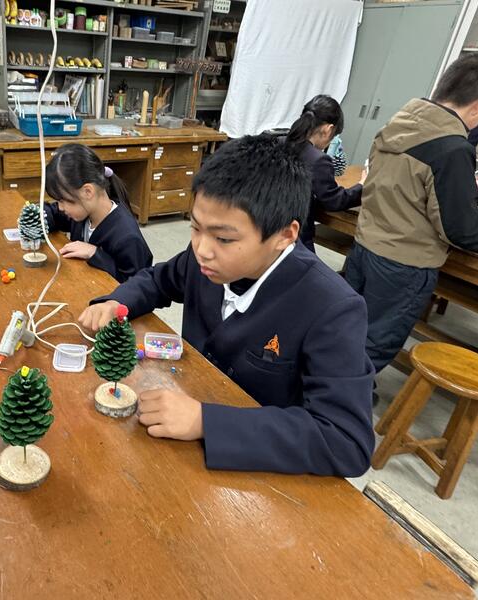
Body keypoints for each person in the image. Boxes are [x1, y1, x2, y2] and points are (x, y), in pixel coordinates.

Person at [79, 135, 374, 477]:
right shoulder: (205, 260)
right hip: (181, 439)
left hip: (254, 469)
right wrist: (116, 302)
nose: (202, 249)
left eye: (224, 238)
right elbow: (158, 280)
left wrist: (206, 421)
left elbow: (346, 441)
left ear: (284, 235)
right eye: (195, 227)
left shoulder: (333, 308)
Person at [344, 53, 478, 375]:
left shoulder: (397, 126)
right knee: (377, 342)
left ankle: (328, 386)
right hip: (404, 264)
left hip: (365, 247)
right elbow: (459, 228)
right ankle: (343, 398)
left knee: (348, 326)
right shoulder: (451, 147)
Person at [43, 144, 153, 283]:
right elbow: (53, 213)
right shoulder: (83, 211)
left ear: (87, 192)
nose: (60, 207)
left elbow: (136, 284)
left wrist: (95, 254)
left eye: (63, 200)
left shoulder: (127, 237)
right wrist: (35, 217)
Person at [284, 95, 365, 252]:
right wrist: (362, 185)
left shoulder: (278, 142)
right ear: (328, 130)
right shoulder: (318, 159)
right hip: (294, 236)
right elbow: (333, 200)